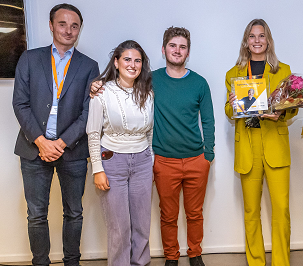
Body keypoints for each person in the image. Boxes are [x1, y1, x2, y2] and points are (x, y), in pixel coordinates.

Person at [91, 26, 214, 266]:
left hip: (195, 160)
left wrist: (207, 155)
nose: (177, 50)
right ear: (163, 49)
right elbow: (120, 87)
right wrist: (96, 86)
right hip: (162, 160)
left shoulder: (200, 83)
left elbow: (208, 120)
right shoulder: (149, 80)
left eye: (182, 47)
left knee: (194, 213)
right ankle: (171, 256)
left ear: (188, 52)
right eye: (173, 45)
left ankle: (195, 253)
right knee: (167, 215)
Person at [11, 3, 99, 266]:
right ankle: (41, 263)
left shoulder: (89, 66)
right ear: (51, 26)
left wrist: (59, 143)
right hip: (33, 148)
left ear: (80, 30)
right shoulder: (29, 58)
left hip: (72, 150)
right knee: (36, 214)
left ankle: (72, 262)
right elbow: (20, 103)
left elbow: (88, 111)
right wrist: (41, 141)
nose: (68, 30)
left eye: (74, 26)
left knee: (74, 213)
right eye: (62, 24)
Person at [225, 18, 298, 266]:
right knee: (250, 213)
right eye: (252, 36)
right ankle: (255, 261)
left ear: (268, 40)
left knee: (281, 212)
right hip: (247, 147)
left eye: (262, 36)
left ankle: (281, 262)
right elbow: (227, 110)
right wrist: (234, 104)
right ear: (246, 41)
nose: (257, 41)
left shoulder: (284, 71)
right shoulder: (233, 74)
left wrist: (282, 112)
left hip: (275, 147)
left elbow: (292, 107)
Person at [86, 40, 153, 266]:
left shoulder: (148, 93)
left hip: (143, 162)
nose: (132, 65)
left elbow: (150, 132)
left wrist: (150, 160)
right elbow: (93, 133)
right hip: (112, 162)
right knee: (119, 227)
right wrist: (97, 169)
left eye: (137, 60)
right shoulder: (102, 92)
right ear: (116, 62)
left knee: (142, 224)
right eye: (127, 59)